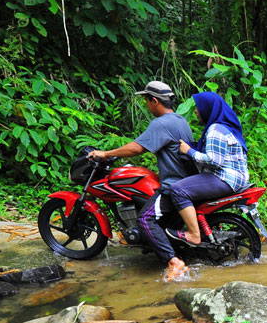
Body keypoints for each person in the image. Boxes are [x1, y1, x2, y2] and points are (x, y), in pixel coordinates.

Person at [87, 80, 197, 281]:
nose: (147, 106)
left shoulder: (161, 123)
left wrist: (106, 153)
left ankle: (174, 262)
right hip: (188, 181)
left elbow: (137, 148)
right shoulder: (180, 120)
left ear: (155, 101)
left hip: (174, 185)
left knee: (145, 218)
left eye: (147, 101)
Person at [163, 92, 250, 252]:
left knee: (178, 190)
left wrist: (189, 151)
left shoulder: (216, 129)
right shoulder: (224, 126)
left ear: (208, 109)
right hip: (235, 177)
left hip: (224, 178)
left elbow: (215, 161)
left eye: (198, 107)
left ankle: (193, 234)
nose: (196, 111)